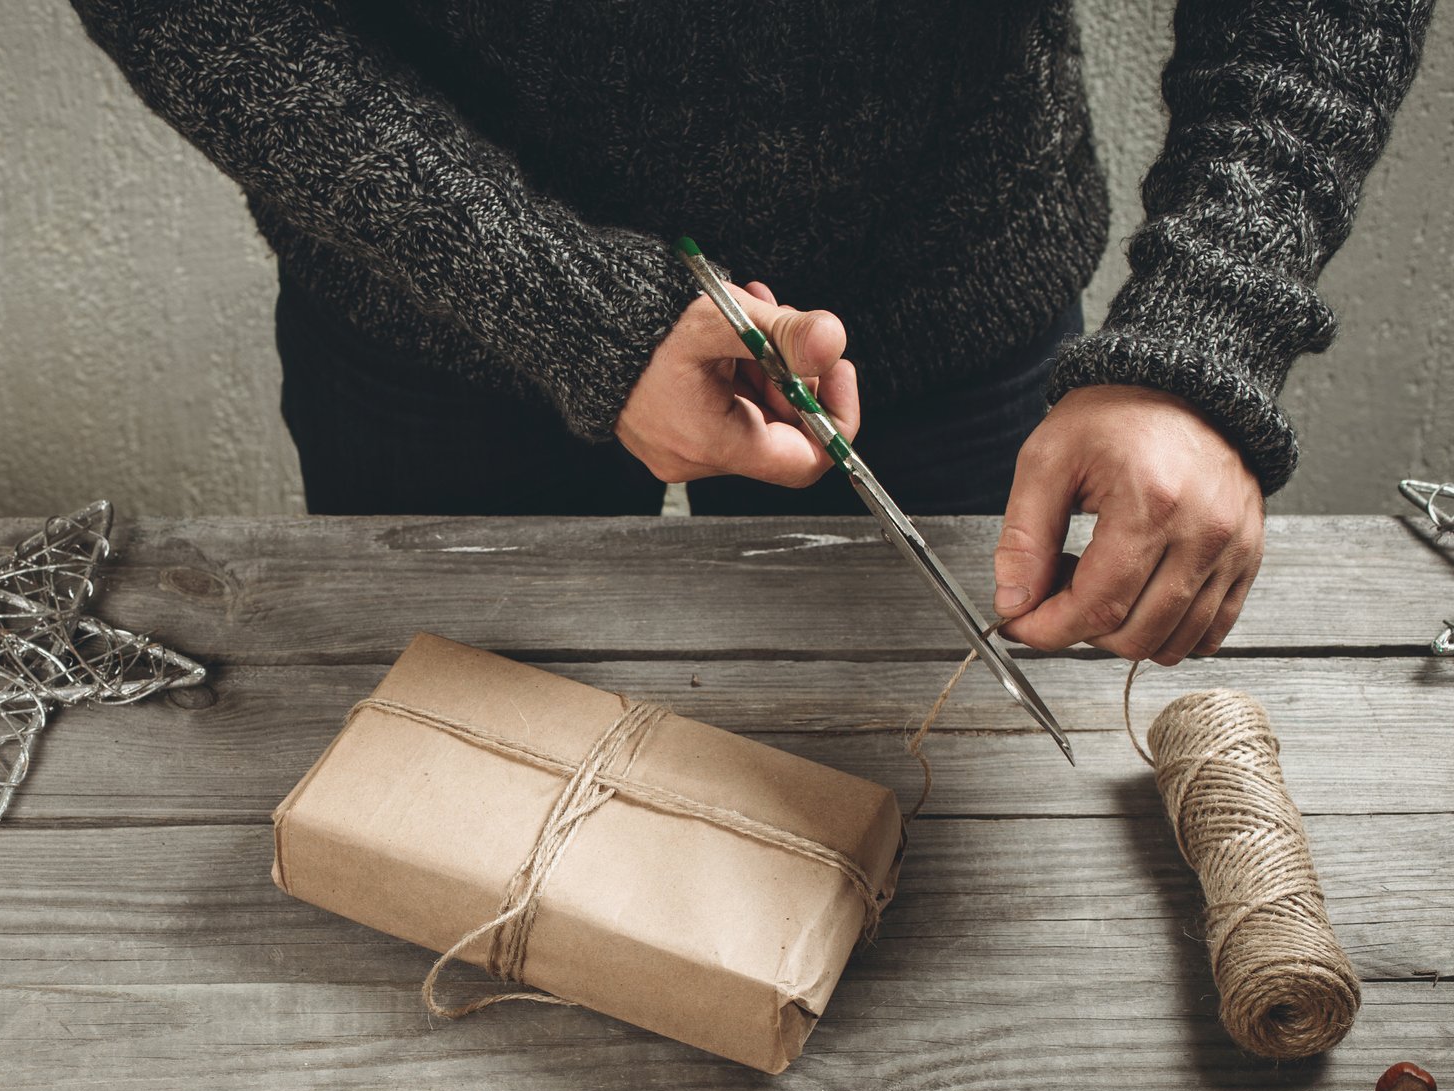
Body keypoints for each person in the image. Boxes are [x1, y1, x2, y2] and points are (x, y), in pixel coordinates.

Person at [73, 1, 1431, 665]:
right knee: (446, 818)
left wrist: (1207, 331)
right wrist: (548, 294)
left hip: (959, 301)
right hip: (435, 312)